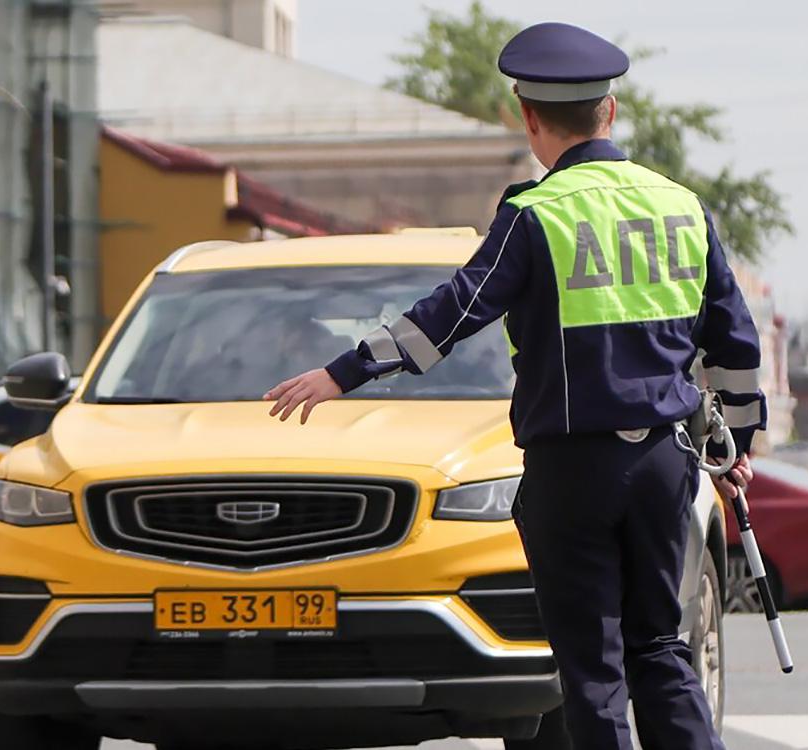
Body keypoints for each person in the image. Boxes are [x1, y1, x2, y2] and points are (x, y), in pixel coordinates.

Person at [265, 21, 763, 750]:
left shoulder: (535, 215)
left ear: (530, 119)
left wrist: (344, 372)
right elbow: (736, 347)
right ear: (611, 112)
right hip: (665, 460)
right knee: (662, 650)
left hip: (575, 470)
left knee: (593, 671)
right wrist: (739, 447)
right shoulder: (681, 207)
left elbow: (451, 314)